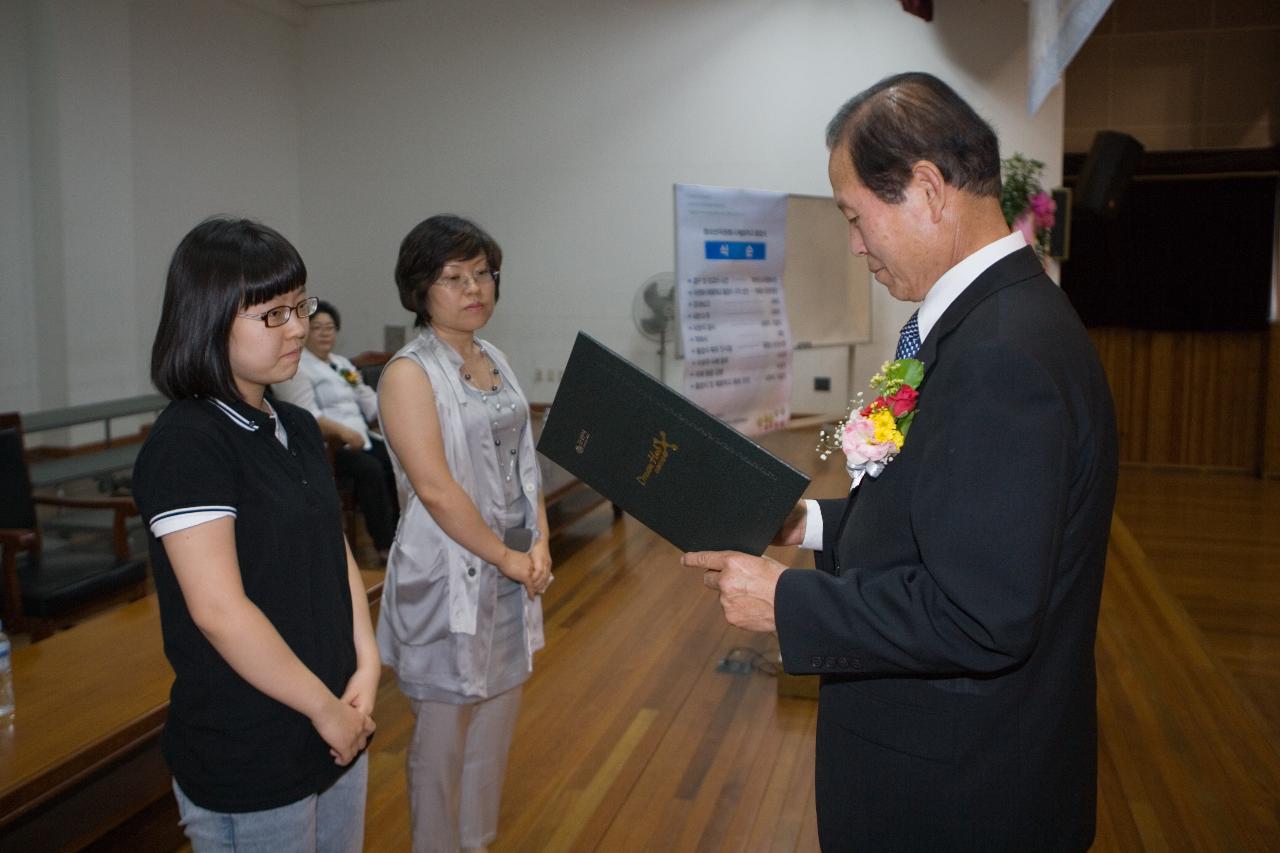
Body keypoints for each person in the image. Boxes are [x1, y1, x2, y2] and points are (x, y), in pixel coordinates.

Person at [684, 73, 1118, 852]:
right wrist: (808, 521)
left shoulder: (1000, 355)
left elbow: (980, 614)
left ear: (926, 188)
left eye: (856, 215)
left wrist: (787, 603)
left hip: (958, 795)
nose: (854, 243)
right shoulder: (990, 319)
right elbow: (943, 518)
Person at [132, 217, 379, 852]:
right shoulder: (188, 442)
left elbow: (334, 550)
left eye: (301, 306)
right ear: (210, 320)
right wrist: (326, 709)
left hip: (335, 721)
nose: (298, 327)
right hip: (253, 744)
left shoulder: (294, 425)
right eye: (273, 314)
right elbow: (218, 610)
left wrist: (367, 660)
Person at [376, 214, 551, 853]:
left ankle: (476, 843)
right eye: (453, 278)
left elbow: (524, 463)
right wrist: (508, 557)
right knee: (441, 744)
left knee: (493, 730)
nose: (473, 288)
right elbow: (436, 489)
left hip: (509, 568)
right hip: (453, 573)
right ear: (421, 289)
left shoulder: (492, 357)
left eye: (482, 274)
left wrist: (539, 543)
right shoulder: (407, 373)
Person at [273, 299, 400, 562]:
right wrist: (343, 432)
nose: (324, 333)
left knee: (399, 459)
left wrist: (400, 415)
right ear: (305, 330)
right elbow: (305, 415)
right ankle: (385, 546)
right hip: (329, 446)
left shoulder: (342, 364)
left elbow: (370, 402)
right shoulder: (296, 366)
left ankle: (404, 537)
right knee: (371, 470)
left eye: (330, 328)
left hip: (361, 437)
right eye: (317, 327)